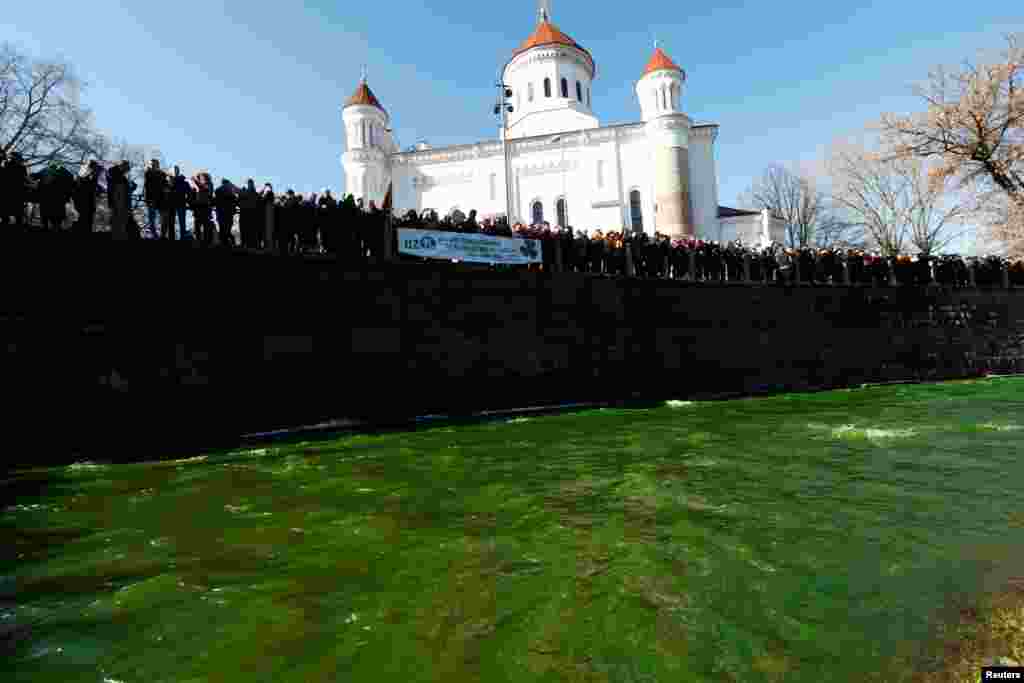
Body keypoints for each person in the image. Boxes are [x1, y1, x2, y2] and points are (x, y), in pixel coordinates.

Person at [1, 152, 29, 231]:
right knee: (17, 214)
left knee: (6, 213)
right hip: (16, 193)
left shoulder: (5, 166)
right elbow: (24, 180)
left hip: (7, 193)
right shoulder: (21, 168)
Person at [72, 161, 102, 235]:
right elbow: (77, 187)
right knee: (84, 221)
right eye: (95, 169)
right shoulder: (84, 176)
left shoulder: (92, 177)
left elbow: (93, 188)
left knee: (86, 222)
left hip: (88, 204)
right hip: (83, 203)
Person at [107, 160, 132, 240]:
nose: (126, 171)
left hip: (122, 204)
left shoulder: (122, 178)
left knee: (121, 224)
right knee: (118, 223)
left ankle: (120, 235)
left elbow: (127, 191)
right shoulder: (114, 173)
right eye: (126, 169)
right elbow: (116, 188)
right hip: (119, 203)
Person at [190, 172, 215, 246]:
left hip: (205, 208)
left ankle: (207, 241)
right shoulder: (199, 186)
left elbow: (205, 189)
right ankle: (198, 240)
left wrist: (196, 181)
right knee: (197, 225)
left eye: (201, 178)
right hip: (198, 208)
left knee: (206, 225)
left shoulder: (209, 184)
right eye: (200, 178)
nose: (201, 179)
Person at [143, 160, 166, 237]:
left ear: (158, 165)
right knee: (151, 217)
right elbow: (147, 187)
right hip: (151, 199)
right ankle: (153, 233)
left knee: (163, 218)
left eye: (154, 164)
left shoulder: (162, 174)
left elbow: (165, 185)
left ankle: (162, 234)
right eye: (152, 164)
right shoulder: (148, 173)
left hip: (161, 199)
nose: (153, 165)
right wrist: (147, 198)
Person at [168, 166, 191, 240]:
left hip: (180, 203)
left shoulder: (183, 182)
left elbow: (189, 193)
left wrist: (188, 201)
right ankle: (172, 238)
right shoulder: (168, 181)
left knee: (181, 222)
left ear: (178, 171)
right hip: (172, 204)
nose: (175, 172)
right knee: (171, 222)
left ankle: (182, 237)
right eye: (174, 170)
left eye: (176, 170)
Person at [238, 179, 261, 249]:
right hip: (248, 214)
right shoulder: (255, 194)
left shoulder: (246, 193)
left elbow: (239, 202)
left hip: (248, 214)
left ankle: (247, 244)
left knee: (247, 230)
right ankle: (248, 244)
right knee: (247, 230)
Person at [214, 179, 238, 247]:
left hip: (220, 212)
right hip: (228, 213)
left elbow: (215, 201)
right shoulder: (230, 191)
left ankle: (223, 243)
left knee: (222, 228)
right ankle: (229, 242)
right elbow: (234, 201)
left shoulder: (218, 190)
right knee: (227, 228)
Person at [262, 183, 276, 252]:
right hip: (270, 216)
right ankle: (269, 247)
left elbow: (263, 198)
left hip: (267, 216)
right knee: (269, 231)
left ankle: (268, 247)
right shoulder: (273, 206)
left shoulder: (267, 205)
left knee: (268, 231)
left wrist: (266, 188)